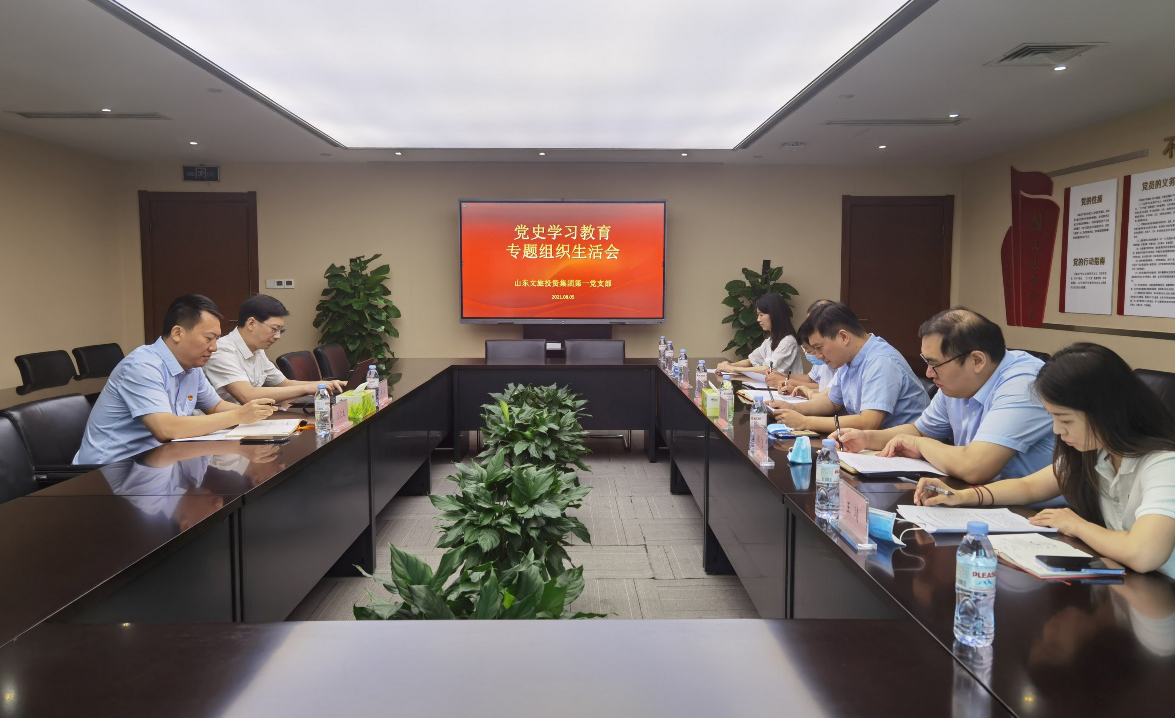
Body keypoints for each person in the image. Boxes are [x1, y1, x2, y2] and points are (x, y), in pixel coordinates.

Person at [915, 343, 1175, 578]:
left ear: (1106, 411)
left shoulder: (1164, 463)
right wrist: (962, 497)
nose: (1057, 430)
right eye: (1053, 417)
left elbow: (1143, 554)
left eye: (1065, 419)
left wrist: (1076, 525)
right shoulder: (1099, 451)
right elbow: (1029, 486)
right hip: (1134, 587)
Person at [832, 308, 1054, 483]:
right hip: (981, 497)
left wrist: (919, 445)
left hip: (1036, 514)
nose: (929, 373)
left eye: (935, 364)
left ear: (977, 361)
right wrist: (866, 439)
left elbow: (974, 467)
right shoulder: (958, 383)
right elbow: (920, 430)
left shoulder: (1024, 383)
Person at [74, 295, 277, 465]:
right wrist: (239, 415)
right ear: (177, 333)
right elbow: (166, 429)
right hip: (109, 473)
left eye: (216, 339)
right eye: (209, 338)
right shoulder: (143, 366)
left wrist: (260, 416)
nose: (214, 347)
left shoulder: (192, 367)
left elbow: (215, 407)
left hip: (158, 462)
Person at [768, 301, 929, 432]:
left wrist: (805, 422)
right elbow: (832, 402)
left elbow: (869, 422)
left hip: (908, 451)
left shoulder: (880, 361)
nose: (818, 356)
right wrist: (793, 408)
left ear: (843, 337)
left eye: (819, 347)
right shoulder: (848, 359)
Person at [204, 294, 344, 403]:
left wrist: (325, 384)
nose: (278, 336)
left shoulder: (257, 350)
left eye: (280, 330)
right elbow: (247, 395)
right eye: (274, 329)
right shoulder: (222, 351)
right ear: (251, 323)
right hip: (227, 425)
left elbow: (284, 384)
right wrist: (307, 388)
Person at [714, 294, 803, 376]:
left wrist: (733, 369)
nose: (758, 319)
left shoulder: (788, 341)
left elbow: (768, 369)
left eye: (761, 315)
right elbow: (751, 360)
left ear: (774, 315)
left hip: (787, 388)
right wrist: (729, 365)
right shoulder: (771, 340)